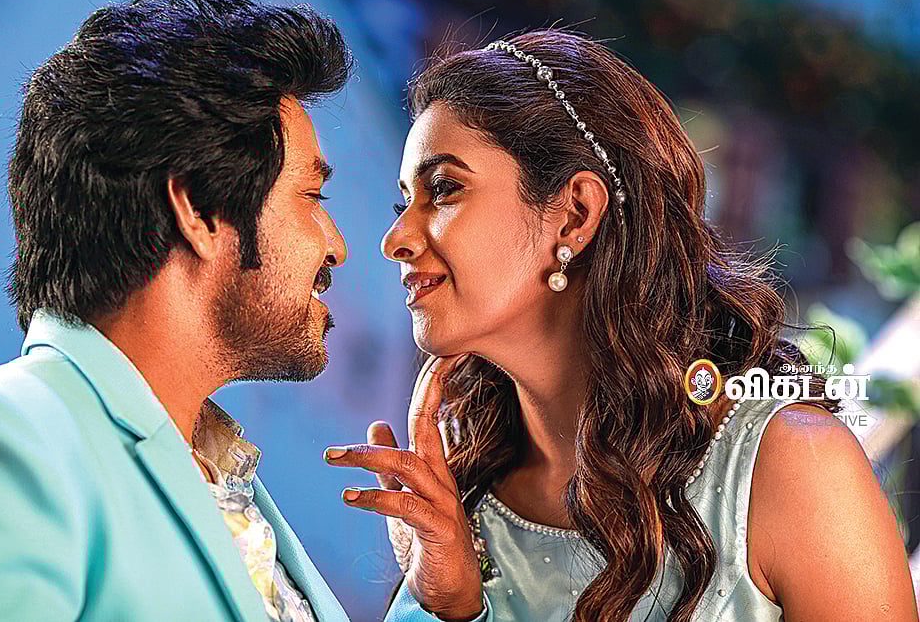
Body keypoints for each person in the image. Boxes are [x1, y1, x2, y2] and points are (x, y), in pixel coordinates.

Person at [325, 31, 919, 621]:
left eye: (443, 190)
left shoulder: (791, 468)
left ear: (576, 215)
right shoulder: (464, 496)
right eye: (403, 202)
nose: (395, 239)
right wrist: (448, 606)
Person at [0, 0, 355, 621]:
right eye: (312, 196)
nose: (336, 244)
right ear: (200, 210)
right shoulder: (1, 445)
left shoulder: (224, 476)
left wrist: (441, 603)